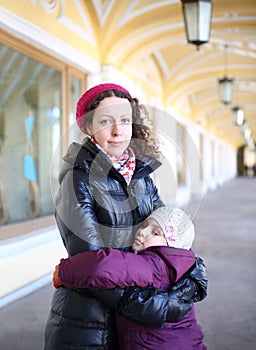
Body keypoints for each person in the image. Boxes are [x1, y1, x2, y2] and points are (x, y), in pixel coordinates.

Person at [44, 83, 207, 350]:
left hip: (136, 326)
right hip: (92, 323)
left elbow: (173, 239)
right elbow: (92, 267)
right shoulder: (77, 180)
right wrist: (160, 306)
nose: (118, 131)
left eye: (125, 120)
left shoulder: (142, 176)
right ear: (88, 127)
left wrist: (193, 276)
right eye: (106, 121)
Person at [53, 206, 207, 349]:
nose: (142, 232)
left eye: (156, 232)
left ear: (173, 244)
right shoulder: (184, 266)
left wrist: (63, 271)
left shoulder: (153, 263)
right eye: (145, 225)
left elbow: (100, 266)